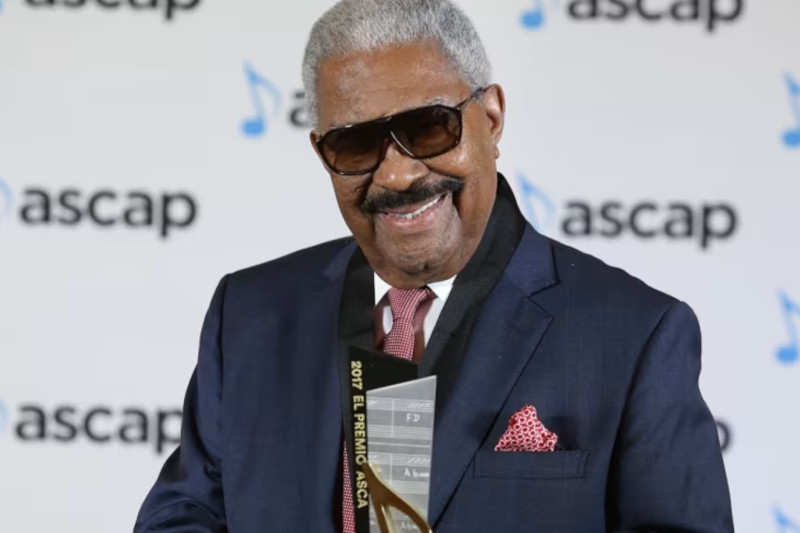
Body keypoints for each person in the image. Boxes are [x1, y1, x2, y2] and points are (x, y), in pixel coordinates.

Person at [135, 0, 734, 531]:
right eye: (356, 143)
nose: (398, 175)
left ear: (491, 119)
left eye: (428, 128)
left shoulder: (635, 335)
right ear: (322, 153)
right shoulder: (249, 314)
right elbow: (185, 513)